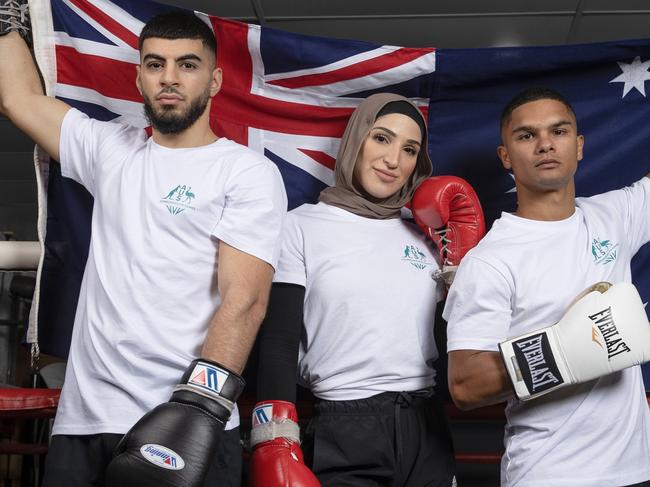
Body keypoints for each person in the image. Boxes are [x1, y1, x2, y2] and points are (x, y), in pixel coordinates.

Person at [0, 5, 287, 487]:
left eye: (187, 65)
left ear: (214, 81)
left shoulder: (245, 172)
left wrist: (195, 415)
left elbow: (246, 301)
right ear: (139, 78)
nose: (169, 78)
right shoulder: (109, 150)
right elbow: (17, 99)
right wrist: (7, 24)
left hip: (186, 420)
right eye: (155, 64)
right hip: (87, 419)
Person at [248, 93, 459, 487]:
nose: (393, 160)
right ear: (355, 141)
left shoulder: (429, 235)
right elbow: (278, 341)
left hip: (426, 423)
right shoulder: (300, 227)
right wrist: (274, 441)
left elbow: (448, 347)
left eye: (409, 149)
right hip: (345, 423)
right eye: (381, 138)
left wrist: (457, 272)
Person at [444, 87, 650, 486]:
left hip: (637, 469)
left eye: (559, 131)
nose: (544, 145)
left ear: (579, 146)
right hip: (550, 472)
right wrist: (565, 348)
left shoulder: (615, 216)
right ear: (506, 156)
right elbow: (464, 386)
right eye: (526, 135)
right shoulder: (491, 260)